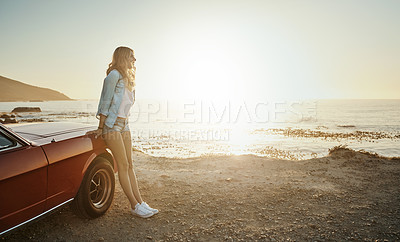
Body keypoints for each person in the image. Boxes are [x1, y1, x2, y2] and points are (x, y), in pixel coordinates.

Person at [90, 46, 158, 218]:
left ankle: (140, 202)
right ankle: (134, 206)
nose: (134, 60)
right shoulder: (113, 76)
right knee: (122, 166)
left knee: (130, 164)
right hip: (112, 126)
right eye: (131, 57)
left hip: (124, 124)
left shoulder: (129, 78)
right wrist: (101, 127)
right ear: (122, 57)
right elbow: (104, 102)